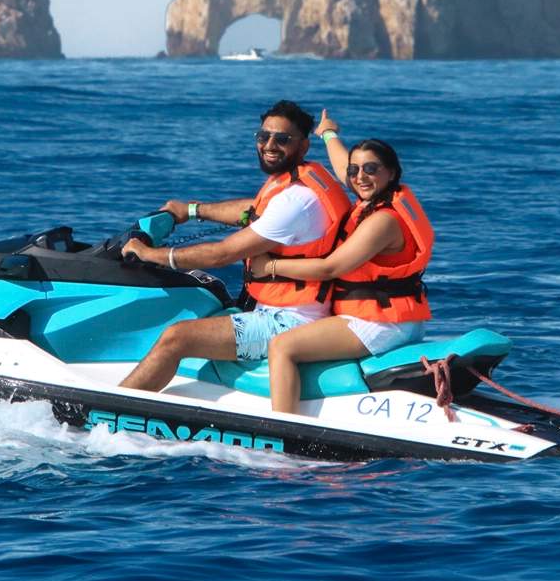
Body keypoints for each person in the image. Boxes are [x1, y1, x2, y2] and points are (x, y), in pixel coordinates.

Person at [118, 100, 350, 393]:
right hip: (290, 310)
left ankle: (103, 413)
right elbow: (252, 211)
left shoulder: (297, 201)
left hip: (289, 322)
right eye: (263, 137)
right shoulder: (299, 182)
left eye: (282, 139)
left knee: (176, 338)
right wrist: (190, 210)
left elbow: (223, 254)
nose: (269, 145)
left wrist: (150, 254)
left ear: (303, 147)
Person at [247, 110, 435, 414]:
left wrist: (269, 267)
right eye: (355, 170)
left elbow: (329, 268)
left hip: (380, 324)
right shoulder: (375, 197)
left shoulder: (383, 221)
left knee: (283, 346)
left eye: (371, 169)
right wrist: (328, 132)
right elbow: (342, 165)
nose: (360, 177)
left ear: (391, 173)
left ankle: (284, 429)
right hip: (395, 318)